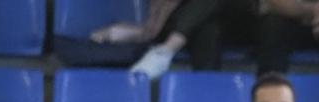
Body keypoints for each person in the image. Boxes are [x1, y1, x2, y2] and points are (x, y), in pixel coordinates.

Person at [55, 0, 222, 77]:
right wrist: (146, 29)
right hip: (184, 24)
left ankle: (166, 50)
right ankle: (167, 51)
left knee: (209, 26)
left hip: (233, 19)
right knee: (209, 29)